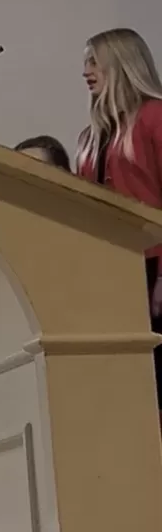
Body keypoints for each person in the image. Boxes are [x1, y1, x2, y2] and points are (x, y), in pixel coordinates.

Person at [75, 28, 162, 404]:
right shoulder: (89, 137)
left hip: (152, 263)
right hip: (109, 271)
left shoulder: (155, 118)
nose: (86, 71)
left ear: (121, 62)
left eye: (94, 61)